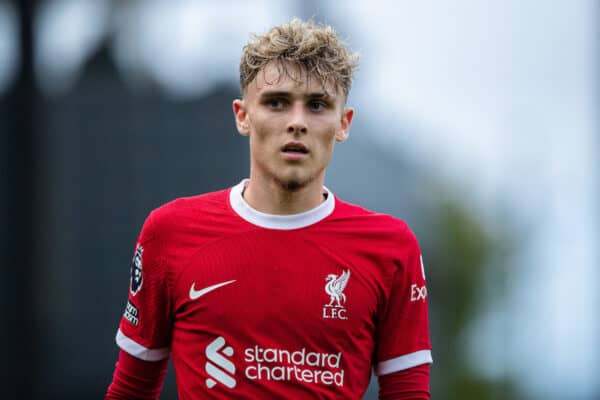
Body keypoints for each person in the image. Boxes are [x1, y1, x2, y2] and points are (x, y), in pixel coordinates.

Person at [106, 18, 432, 400]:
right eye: (276, 102)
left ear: (343, 124)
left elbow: (407, 393)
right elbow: (132, 388)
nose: (297, 122)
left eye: (317, 105)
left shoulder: (390, 247)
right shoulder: (170, 232)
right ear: (243, 115)